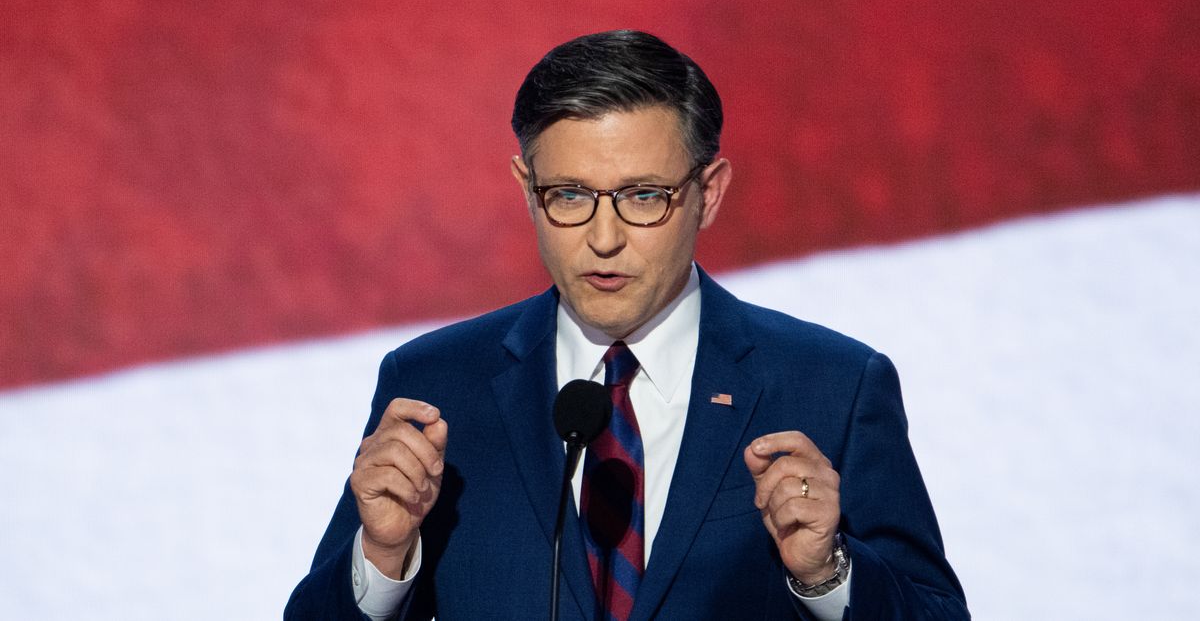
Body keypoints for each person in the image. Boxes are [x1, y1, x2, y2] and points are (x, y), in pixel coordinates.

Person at [285, 30, 968, 620]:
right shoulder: (437, 384)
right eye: (569, 195)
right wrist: (382, 557)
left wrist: (828, 574)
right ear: (527, 191)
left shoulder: (832, 386)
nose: (604, 238)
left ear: (709, 193)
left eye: (644, 196)